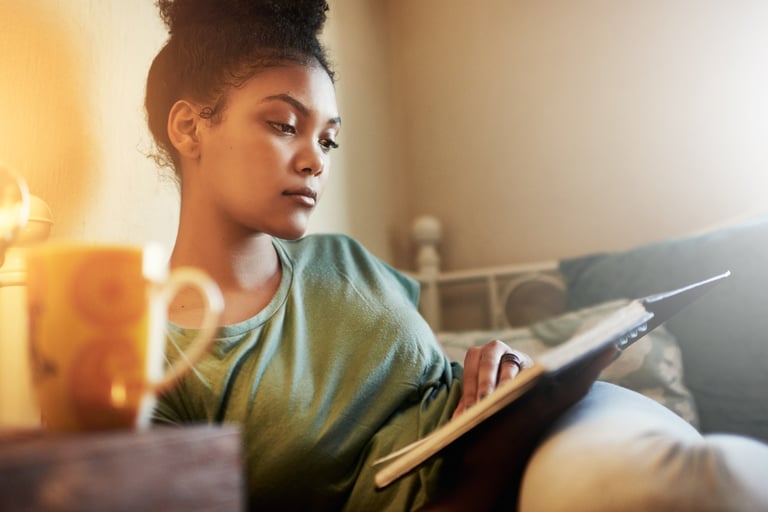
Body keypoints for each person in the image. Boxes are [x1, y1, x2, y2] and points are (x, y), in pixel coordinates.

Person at [145, 1, 768, 510]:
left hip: (559, 427)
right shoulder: (154, 363)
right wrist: (487, 454)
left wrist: (497, 375)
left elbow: (430, 381)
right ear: (189, 128)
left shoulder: (342, 261)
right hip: (490, 478)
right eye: (284, 125)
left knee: (711, 480)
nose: (315, 160)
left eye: (329, 138)